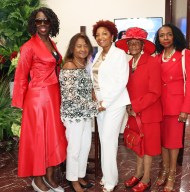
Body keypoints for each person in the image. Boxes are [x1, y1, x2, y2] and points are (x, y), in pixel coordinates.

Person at [11, 7, 67, 192]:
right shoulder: (28, 47)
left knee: (52, 137)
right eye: (38, 21)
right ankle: (38, 179)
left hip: (53, 96)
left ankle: (50, 178)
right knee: (38, 139)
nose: (42, 24)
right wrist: (19, 104)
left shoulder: (51, 43)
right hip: (37, 99)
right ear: (33, 24)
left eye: (45, 21)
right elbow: (20, 76)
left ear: (51, 23)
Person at [116, 27, 162, 192]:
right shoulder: (128, 64)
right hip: (133, 113)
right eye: (131, 42)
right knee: (137, 145)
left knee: (148, 147)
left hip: (149, 112)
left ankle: (147, 178)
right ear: (127, 45)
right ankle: (138, 173)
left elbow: (155, 92)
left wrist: (135, 106)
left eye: (137, 43)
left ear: (143, 45)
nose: (134, 45)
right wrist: (128, 106)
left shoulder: (152, 62)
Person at [92, 20, 130, 192]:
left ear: (112, 35)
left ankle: (111, 181)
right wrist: (96, 100)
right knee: (104, 140)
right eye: (98, 35)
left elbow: (121, 81)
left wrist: (105, 103)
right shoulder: (98, 55)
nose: (100, 38)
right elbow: (96, 80)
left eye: (104, 34)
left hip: (114, 104)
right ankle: (107, 176)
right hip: (100, 104)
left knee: (108, 141)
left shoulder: (119, 54)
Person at [153, 24, 190, 192]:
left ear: (175, 36)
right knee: (162, 141)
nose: (166, 38)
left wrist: (186, 108)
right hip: (158, 106)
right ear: (158, 39)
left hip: (176, 106)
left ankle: (171, 174)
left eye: (169, 34)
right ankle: (163, 169)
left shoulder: (185, 55)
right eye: (162, 35)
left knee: (173, 142)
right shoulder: (157, 57)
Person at [59, 33, 98, 192]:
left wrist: (93, 94)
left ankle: (80, 175)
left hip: (84, 114)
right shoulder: (69, 65)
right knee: (74, 148)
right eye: (78, 46)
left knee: (85, 146)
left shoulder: (83, 64)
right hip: (73, 115)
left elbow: (85, 89)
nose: (82, 49)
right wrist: (95, 106)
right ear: (72, 48)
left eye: (85, 45)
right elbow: (71, 97)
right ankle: (72, 179)